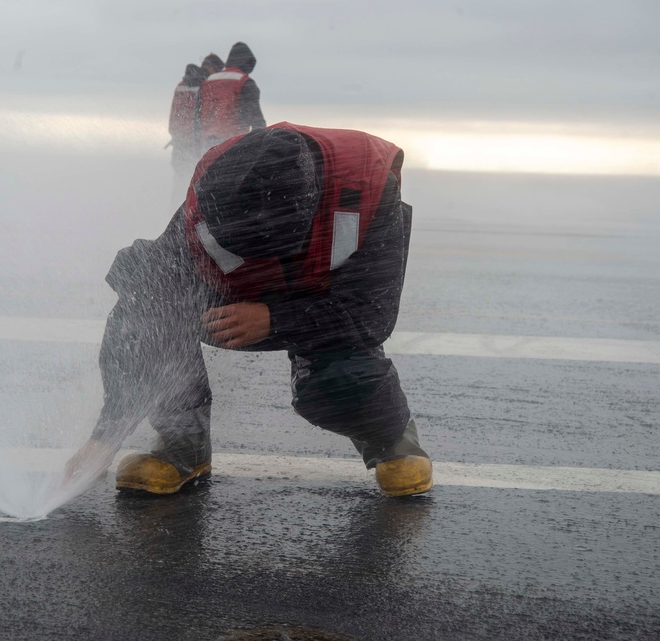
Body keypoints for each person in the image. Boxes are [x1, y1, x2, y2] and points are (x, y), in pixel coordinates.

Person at [64, 122, 432, 498]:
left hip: (322, 307)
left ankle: (392, 440)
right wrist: (105, 438)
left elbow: (373, 314)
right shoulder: (214, 188)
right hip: (233, 307)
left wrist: (274, 320)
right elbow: (149, 295)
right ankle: (183, 447)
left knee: (341, 378)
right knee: (150, 314)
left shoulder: (368, 187)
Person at [168, 54, 224, 204]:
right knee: (196, 185)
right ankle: (189, 219)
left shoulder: (181, 84)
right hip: (195, 143)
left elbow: (174, 114)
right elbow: (202, 116)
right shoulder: (205, 85)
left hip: (179, 141)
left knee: (179, 182)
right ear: (212, 69)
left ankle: (172, 217)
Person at [196, 42, 267, 152]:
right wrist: (261, 145)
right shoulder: (244, 82)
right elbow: (255, 117)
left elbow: (197, 115)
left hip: (207, 143)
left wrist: (196, 142)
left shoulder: (207, 82)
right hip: (234, 143)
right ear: (248, 63)